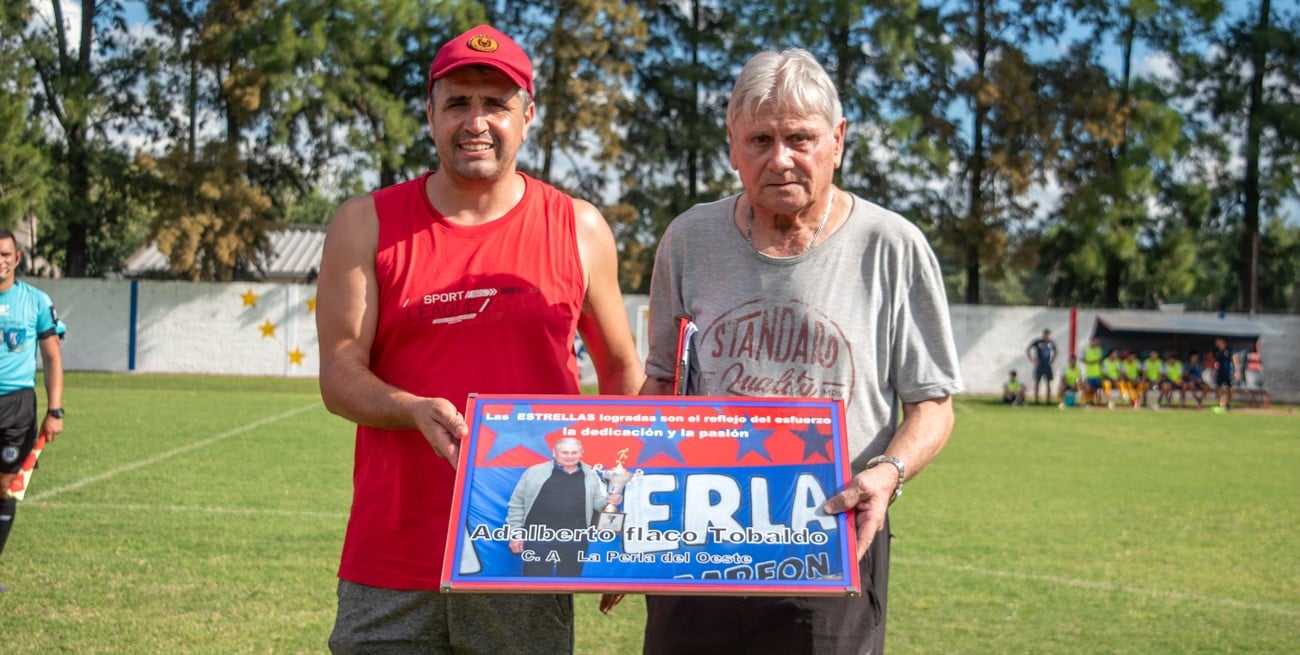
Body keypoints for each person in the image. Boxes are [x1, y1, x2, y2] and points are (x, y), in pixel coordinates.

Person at [314, 24, 644, 654]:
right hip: (394, 552)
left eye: (496, 104)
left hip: (529, 551)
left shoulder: (578, 226)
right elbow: (339, 371)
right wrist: (409, 409)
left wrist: (616, 532)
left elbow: (622, 375)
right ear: (431, 113)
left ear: (528, 116)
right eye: (459, 102)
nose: (477, 121)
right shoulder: (366, 222)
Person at [632, 48, 962, 655]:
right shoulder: (688, 239)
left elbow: (932, 406)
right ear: (732, 144)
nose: (779, 159)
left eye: (800, 138)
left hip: (832, 538)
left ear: (837, 140)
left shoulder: (892, 246)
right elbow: (661, 385)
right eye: (759, 138)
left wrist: (886, 475)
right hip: (698, 535)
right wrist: (625, 515)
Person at [0, 229, 66, 595]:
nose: (0, 260)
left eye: (6, 254)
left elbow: (53, 358)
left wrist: (55, 410)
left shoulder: (36, 301)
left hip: (17, 406)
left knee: (6, 488)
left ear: (17, 258)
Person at [506, 437, 612, 577]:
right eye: (565, 452)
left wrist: (610, 501)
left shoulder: (590, 475)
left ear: (581, 453)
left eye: (574, 453)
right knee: (535, 581)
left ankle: (564, 600)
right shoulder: (534, 472)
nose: (569, 456)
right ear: (554, 453)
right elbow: (517, 504)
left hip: (576, 538)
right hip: (538, 537)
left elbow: (597, 503)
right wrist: (516, 534)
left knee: (570, 581)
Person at [1025, 328, 1057, 405]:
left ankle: (1048, 400)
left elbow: (1055, 351)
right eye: (1045, 334)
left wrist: (1052, 360)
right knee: (1037, 382)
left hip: (1047, 365)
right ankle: (1036, 400)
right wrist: (1032, 359)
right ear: (1043, 335)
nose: (1046, 336)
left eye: (1048, 335)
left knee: (1048, 383)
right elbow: (1028, 349)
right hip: (1039, 364)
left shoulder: (1050, 343)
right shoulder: (1038, 342)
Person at [1210, 337, 1236, 412]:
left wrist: (1236, 370)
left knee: (1230, 388)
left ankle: (1228, 403)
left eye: (1218, 342)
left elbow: (1233, 358)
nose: (1217, 344)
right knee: (1220, 387)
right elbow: (1215, 360)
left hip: (1228, 371)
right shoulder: (1216, 350)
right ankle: (1221, 404)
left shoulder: (1229, 349)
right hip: (1220, 372)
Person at [1081, 337, 1105, 406]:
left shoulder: (1099, 349)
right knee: (1087, 389)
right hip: (1089, 373)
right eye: (1096, 341)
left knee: (1095, 389)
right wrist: (1090, 362)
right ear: (1092, 341)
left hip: (1097, 373)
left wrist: (1090, 362)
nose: (1098, 343)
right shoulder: (1086, 350)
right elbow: (1082, 359)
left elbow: (1100, 359)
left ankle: (1093, 402)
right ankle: (1085, 402)